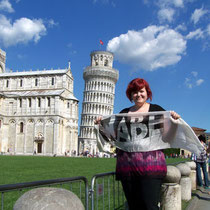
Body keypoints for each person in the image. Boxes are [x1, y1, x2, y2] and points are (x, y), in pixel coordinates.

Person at [95, 78, 180, 210]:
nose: (138, 95)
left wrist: (174, 122)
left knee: (150, 206)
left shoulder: (157, 111)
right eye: (134, 92)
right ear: (130, 95)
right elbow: (114, 138)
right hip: (127, 168)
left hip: (151, 168)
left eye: (141, 91)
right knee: (134, 206)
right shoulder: (123, 113)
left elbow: (168, 137)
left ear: (147, 92)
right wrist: (102, 124)